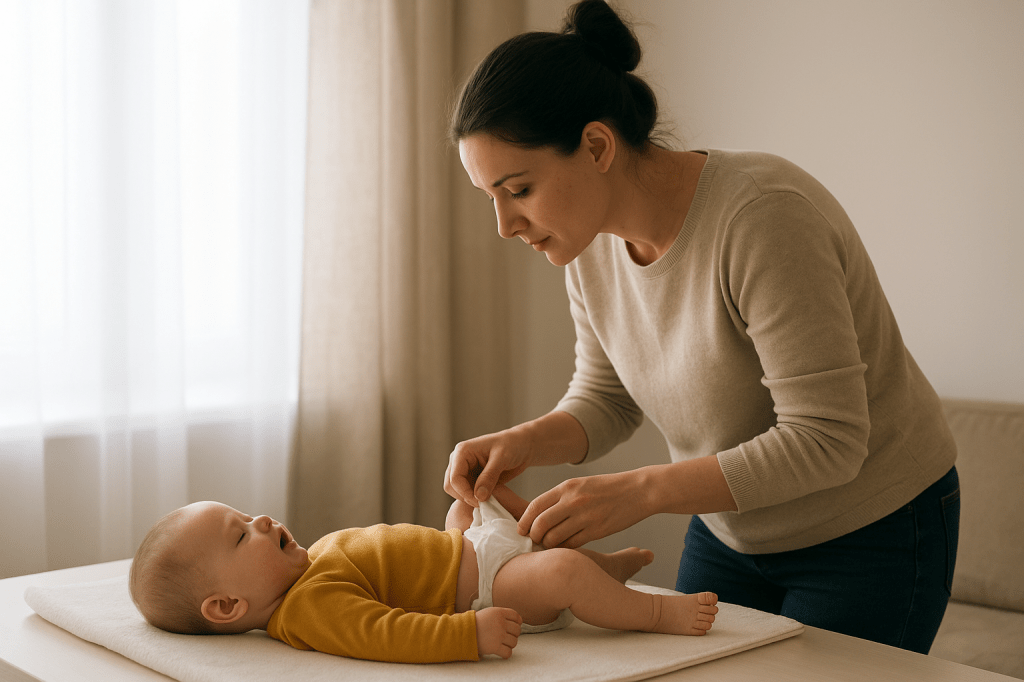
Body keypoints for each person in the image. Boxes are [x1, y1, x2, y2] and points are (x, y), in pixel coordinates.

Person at [444, 0, 959, 655]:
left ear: (597, 146)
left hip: (873, 530)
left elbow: (829, 438)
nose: (505, 225)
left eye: (518, 190)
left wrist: (641, 491)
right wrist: (521, 442)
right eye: (491, 197)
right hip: (731, 531)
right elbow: (605, 400)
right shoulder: (591, 244)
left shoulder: (763, 219)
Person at [128, 487, 718, 664]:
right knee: (558, 570)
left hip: (467, 551)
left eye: (242, 513)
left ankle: (606, 572)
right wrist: (470, 635)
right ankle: (654, 612)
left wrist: (457, 530)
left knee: (496, 514)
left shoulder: (307, 568)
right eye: (239, 534)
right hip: (483, 588)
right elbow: (389, 632)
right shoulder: (307, 611)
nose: (258, 518)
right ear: (227, 606)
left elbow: (402, 562)